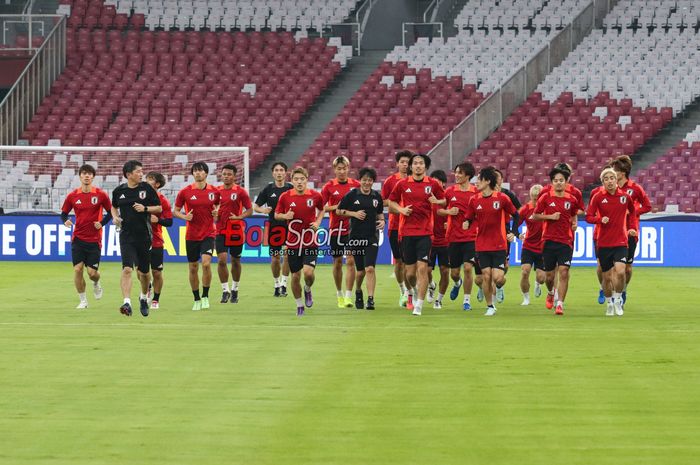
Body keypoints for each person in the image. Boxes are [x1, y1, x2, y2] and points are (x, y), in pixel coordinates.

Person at [387, 153, 445, 316]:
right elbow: (391, 201)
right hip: (406, 233)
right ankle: (412, 290)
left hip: (425, 233)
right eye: (415, 163)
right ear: (411, 167)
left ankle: (419, 305)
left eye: (421, 163)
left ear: (425, 167)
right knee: (410, 273)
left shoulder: (432, 183)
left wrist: (437, 202)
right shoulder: (402, 184)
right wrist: (401, 210)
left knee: (422, 268)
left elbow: (445, 200)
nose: (418, 166)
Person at [463, 167, 517, 316]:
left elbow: (516, 214)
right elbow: (468, 216)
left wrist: (514, 232)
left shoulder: (502, 198)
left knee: (498, 278)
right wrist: (466, 222)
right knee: (486, 275)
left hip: (499, 244)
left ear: (487, 181)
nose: (476, 183)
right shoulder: (474, 200)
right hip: (481, 244)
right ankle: (490, 306)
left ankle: (499, 287)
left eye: (479, 180)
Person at [111, 160, 162, 317]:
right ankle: (127, 302)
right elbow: (113, 206)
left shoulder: (146, 188)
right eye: (138, 171)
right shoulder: (119, 191)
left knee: (144, 273)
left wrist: (145, 208)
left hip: (144, 236)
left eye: (142, 171)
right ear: (129, 174)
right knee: (127, 269)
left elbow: (159, 208)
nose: (142, 174)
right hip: (126, 235)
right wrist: (115, 217)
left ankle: (143, 297)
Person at [60, 163, 112, 309]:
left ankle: (96, 283)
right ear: (80, 176)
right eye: (84, 173)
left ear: (93, 177)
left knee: (92, 273)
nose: (87, 176)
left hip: (94, 239)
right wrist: (66, 221)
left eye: (89, 173)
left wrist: (101, 223)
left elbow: (111, 212)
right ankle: (83, 300)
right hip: (78, 238)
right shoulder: (72, 196)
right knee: (77, 269)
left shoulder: (101, 194)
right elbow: (63, 214)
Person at [274, 167, 324, 316]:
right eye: (296, 179)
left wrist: (317, 223)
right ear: (292, 181)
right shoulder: (285, 196)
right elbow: (276, 214)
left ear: (306, 179)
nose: (299, 182)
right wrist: (285, 216)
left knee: (308, 273)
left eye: (302, 179)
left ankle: (308, 289)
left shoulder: (315, 195)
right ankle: (299, 305)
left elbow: (322, 210)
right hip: (293, 243)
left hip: (310, 242)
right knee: (295, 276)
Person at [586, 167, 636, 316]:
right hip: (603, 243)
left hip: (621, 241)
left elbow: (632, 212)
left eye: (611, 178)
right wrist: (600, 220)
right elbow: (589, 217)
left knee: (620, 272)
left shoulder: (625, 197)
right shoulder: (598, 197)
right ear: (602, 182)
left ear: (616, 180)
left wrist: (632, 228)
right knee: (606, 277)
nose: (609, 181)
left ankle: (618, 299)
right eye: (606, 179)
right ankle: (609, 303)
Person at [174, 161, 220, 311]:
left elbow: (218, 208)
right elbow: (175, 210)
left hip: (208, 233)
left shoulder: (215, 191)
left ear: (206, 173)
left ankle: (205, 295)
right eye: (195, 171)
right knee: (193, 267)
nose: (198, 173)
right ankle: (196, 298)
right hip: (192, 235)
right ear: (192, 174)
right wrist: (184, 217)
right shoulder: (185, 192)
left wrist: (216, 213)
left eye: (200, 171)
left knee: (206, 264)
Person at [533, 166, 579, 315]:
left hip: (566, 241)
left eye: (561, 180)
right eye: (556, 180)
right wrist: (550, 217)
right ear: (552, 182)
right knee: (550, 276)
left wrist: (574, 223)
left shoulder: (572, 199)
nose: (558, 183)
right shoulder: (545, 197)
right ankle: (551, 292)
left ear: (566, 182)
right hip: (548, 240)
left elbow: (574, 214)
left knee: (564, 272)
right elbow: (535, 215)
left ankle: (560, 304)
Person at [337, 167, 385, 310]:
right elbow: (339, 210)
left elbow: (380, 214)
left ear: (373, 182)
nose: (367, 182)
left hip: (372, 237)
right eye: (364, 180)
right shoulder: (352, 195)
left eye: (370, 180)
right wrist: (353, 213)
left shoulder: (377, 196)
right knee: (360, 272)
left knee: (370, 268)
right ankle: (358, 290)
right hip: (356, 238)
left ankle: (370, 299)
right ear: (360, 180)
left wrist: (383, 221)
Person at [610, 155, 651, 304]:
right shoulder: (610, 188)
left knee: (627, 268)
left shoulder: (635, 188)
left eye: (615, 170)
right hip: (613, 232)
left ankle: (623, 290)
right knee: (615, 267)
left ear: (623, 172)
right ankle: (613, 293)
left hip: (630, 232)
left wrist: (632, 212)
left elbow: (647, 206)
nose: (613, 173)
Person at [321, 156, 360, 308]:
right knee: (337, 262)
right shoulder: (328, 186)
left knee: (351, 260)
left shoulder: (356, 185)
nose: (342, 171)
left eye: (344, 168)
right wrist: (338, 207)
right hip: (335, 229)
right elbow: (321, 207)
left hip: (352, 229)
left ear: (348, 168)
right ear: (334, 170)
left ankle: (349, 296)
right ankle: (339, 294)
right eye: (339, 169)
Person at [439, 161, 479, 311]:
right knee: (454, 273)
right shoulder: (449, 192)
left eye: (460, 173)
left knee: (468, 268)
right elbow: (439, 210)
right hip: (454, 237)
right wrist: (448, 212)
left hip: (471, 237)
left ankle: (466, 300)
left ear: (468, 175)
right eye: (456, 172)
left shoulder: (476, 192)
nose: (456, 175)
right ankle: (457, 283)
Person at [254, 162, 293, 297]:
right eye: (276, 170)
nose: (279, 172)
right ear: (273, 173)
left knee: (288, 256)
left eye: (281, 170)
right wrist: (263, 210)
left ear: (286, 172)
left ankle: (284, 284)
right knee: (275, 258)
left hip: (290, 228)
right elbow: (256, 206)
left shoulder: (291, 189)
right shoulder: (268, 189)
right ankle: (276, 284)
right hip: (274, 227)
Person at [216, 164, 253, 304]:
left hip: (235, 230)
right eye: (224, 173)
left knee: (236, 260)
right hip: (220, 230)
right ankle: (225, 290)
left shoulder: (240, 191)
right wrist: (213, 214)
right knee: (221, 259)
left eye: (229, 174)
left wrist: (239, 217)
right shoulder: (216, 191)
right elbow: (211, 208)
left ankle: (235, 289)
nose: (226, 176)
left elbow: (249, 210)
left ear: (234, 176)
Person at [381, 150, 411, 307]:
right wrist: (398, 206)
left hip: (412, 227)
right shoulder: (390, 181)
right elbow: (383, 202)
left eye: (408, 162)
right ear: (397, 163)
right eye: (403, 162)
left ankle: (408, 292)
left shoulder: (416, 181)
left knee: (409, 263)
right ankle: (402, 290)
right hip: (394, 226)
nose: (405, 164)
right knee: (399, 262)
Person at [145, 171, 173, 310]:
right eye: (146, 179)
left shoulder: (164, 201)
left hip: (156, 240)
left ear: (157, 184)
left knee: (156, 272)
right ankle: (147, 285)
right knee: (141, 272)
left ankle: (155, 299)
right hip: (140, 241)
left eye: (150, 179)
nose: (146, 181)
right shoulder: (139, 197)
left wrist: (159, 220)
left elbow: (169, 222)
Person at [517, 184, 545, 306]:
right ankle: (526, 298)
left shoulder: (547, 209)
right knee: (525, 272)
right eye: (534, 198)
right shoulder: (525, 209)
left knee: (542, 278)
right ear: (531, 197)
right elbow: (514, 225)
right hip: (528, 246)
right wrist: (518, 235)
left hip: (543, 247)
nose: (537, 201)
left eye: (539, 198)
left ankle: (537, 284)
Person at [426, 169, 450, 309]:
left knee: (445, 271)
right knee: (427, 270)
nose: (434, 184)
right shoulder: (426, 197)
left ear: (443, 183)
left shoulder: (448, 198)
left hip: (445, 241)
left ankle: (439, 300)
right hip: (429, 239)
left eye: (437, 181)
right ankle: (431, 285)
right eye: (432, 181)